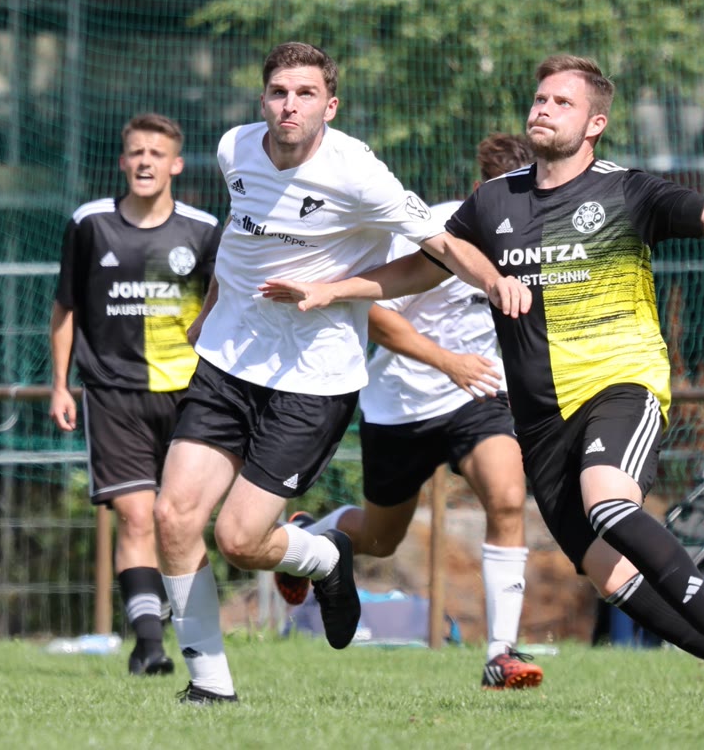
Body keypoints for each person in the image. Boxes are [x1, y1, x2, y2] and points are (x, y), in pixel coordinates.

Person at [267, 54, 704, 713]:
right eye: (540, 98)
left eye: (562, 102)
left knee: (608, 503)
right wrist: (334, 289)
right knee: (607, 573)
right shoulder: (494, 200)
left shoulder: (627, 190)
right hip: (538, 419)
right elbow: (420, 269)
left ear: (595, 124)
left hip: (618, 384)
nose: (544, 109)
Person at [155, 42, 522, 705]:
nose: (288, 105)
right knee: (173, 516)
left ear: (331, 105)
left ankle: (324, 557)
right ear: (263, 99)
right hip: (228, 363)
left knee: (239, 539)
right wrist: (208, 314)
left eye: (304, 93)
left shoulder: (358, 174)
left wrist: (495, 281)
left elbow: (440, 250)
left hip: (313, 380)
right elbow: (240, 240)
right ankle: (208, 686)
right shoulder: (234, 148)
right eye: (278, 92)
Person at [281, 132, 542, 691]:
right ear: (480, 191)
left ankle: (501, 653)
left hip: (478, 399)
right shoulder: (440, 232)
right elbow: (374, 315)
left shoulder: (539, 240)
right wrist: (447, 361)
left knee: (507, 496)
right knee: (380, 541)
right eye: (507, 196)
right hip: (400, 404)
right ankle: (311, 534)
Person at [49, 113, 221, 677]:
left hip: (188, 393)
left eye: (156, 153)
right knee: (137, 517)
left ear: (176, 165)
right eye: (137, 152)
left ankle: (192, 634)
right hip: (112, 391)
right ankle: (150, 646)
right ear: (123, 162)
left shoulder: (203, 230)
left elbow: (224, 305)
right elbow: (65, 308)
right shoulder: (90, 224)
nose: (146, 161)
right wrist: (60, 385)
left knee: (182, 520)